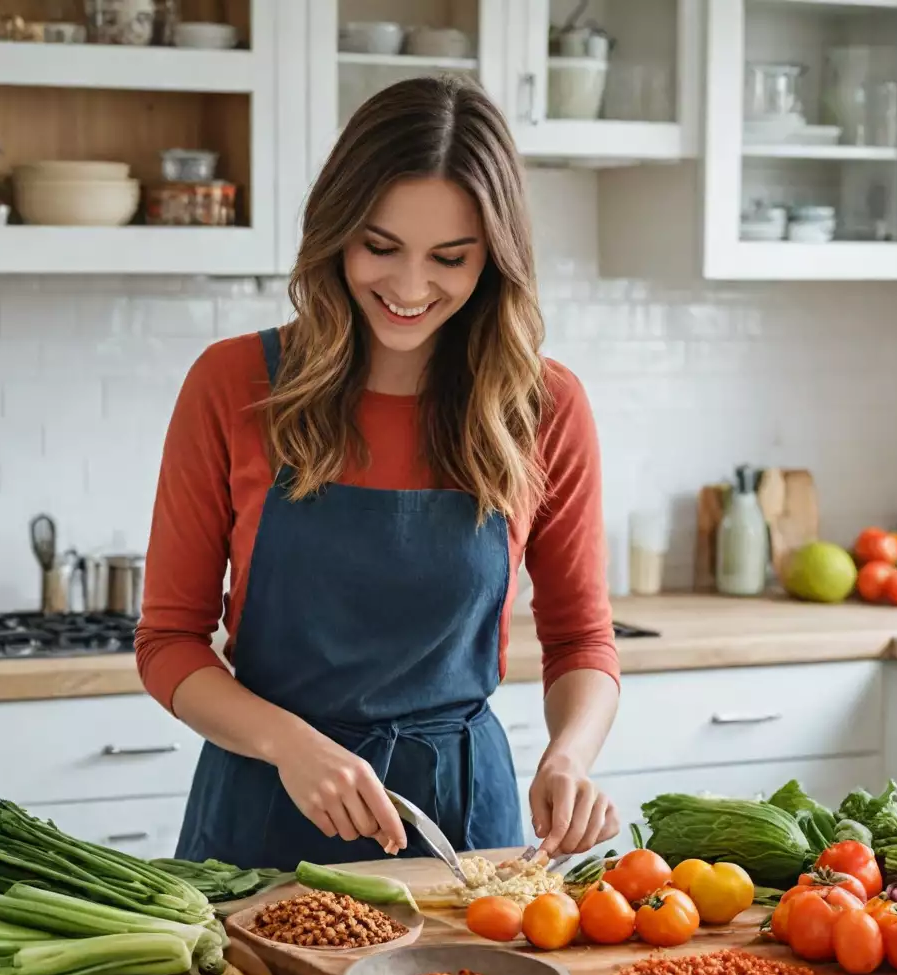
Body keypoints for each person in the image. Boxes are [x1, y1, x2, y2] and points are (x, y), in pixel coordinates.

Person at [136, 76, 621, 872]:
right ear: (337, 233)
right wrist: (289, 745)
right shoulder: (233, 384)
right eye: (381, 247)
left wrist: (568, 756)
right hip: (265, 809)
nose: (408, 287)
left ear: (494, 260)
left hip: (463, 830)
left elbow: (582, 640)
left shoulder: (544, 406)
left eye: (450, 259)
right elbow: (168, 641)